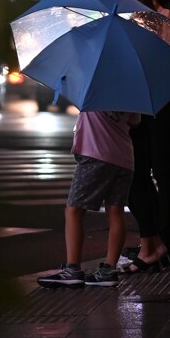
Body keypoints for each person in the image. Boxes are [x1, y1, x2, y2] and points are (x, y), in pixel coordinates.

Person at [125, 0, 170, 271]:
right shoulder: (147, 7)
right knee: (142, 167)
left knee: (163, 169)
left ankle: (166, 239)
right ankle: (154, 238)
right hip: (150, 97)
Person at [37, 109, 141, 288]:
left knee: (74, 210)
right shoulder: (130, 92)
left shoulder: (93, 89)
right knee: (115, 211)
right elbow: (135, 121)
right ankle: (109, 270)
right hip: (124, 158)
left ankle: (72, 269)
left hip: (96, 155)